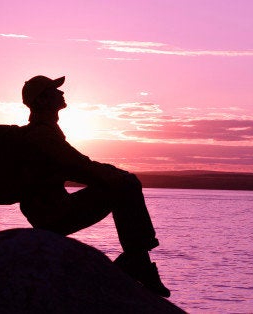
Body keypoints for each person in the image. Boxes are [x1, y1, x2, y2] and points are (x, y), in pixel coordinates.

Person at [17, 75, 170, 297]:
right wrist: (119, 177)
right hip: (52, 215)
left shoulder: (46, 132)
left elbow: (78, 165)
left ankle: (138, 260)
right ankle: (138, 261)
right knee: (126, 185)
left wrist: (113, 175)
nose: (61, 93)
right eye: (54, 90)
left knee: (123, 182)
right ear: (41, 101)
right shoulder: (41, 135)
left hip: (53, 210)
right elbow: (79, 167)